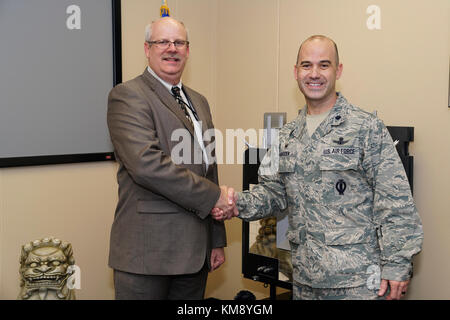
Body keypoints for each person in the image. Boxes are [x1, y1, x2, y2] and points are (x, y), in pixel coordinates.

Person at [213, 35, 423, 300]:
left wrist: (397, 264)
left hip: (359, 284)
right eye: (306, 65)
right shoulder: (286, 136)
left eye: (324, 65)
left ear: (338, 70)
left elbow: (395, 200)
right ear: (295, 72)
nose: (314, 74)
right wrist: (234, 204)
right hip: (304, 281)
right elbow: (272, 194)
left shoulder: (365, 128)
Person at [107, 17, 234, 300]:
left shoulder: (199, 101)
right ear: (147, 48)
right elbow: (146, 165)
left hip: (195, 254)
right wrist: (215, 197)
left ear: (188, 51)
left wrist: (216, 240)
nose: (171, 49)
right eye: (162, 42)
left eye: (179, 43)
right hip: (147, 255)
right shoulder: (127, 96)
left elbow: (208, 168)